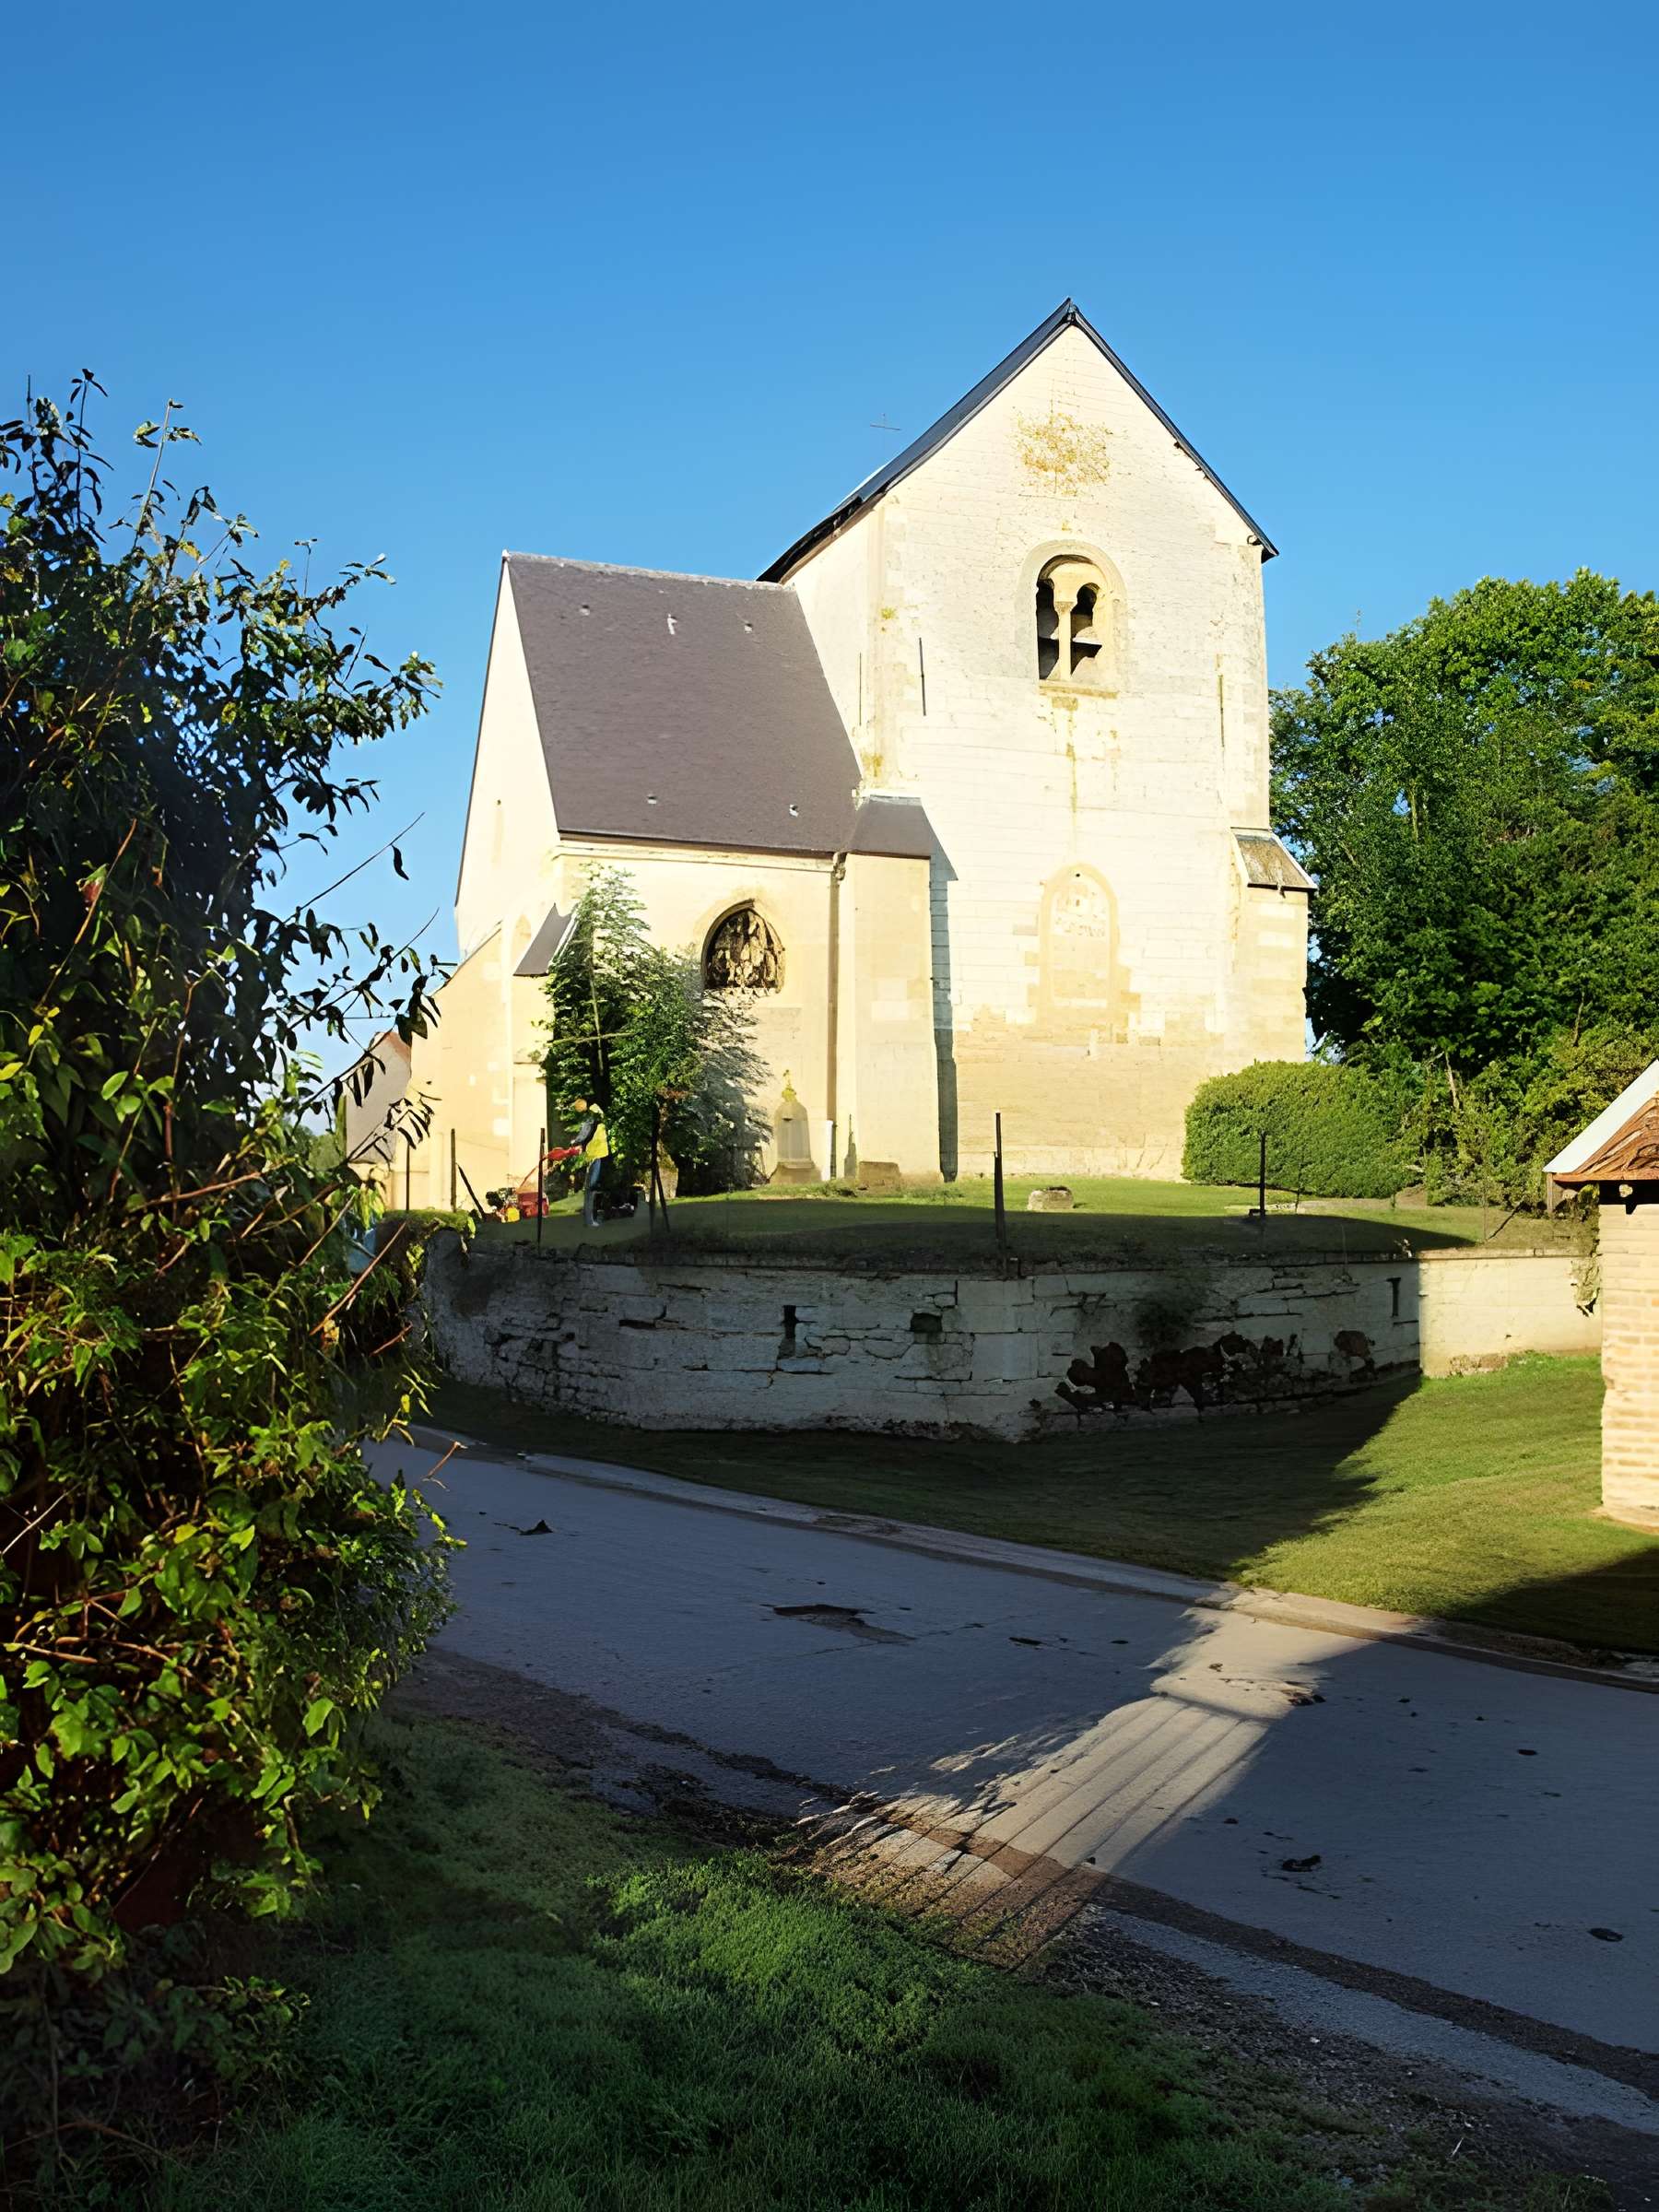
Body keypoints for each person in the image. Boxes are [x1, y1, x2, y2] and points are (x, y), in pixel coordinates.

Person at [567, 1098, 610, 1228]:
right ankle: (589, 1218)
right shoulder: (597, 1111)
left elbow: (587, 1132)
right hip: (597, 1154)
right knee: (591, 1188)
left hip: (594, 1155)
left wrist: (576, 1142)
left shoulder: (592, 1114)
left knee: (590, 1188)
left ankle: (589, 1220)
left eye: (578, 1108)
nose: (578, 1111)